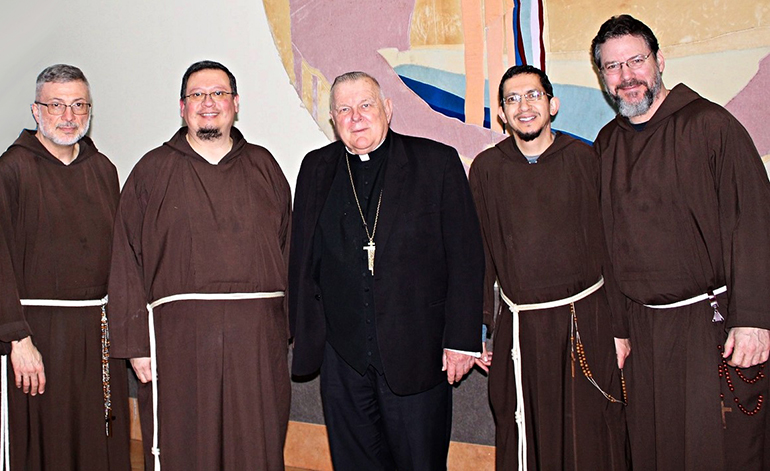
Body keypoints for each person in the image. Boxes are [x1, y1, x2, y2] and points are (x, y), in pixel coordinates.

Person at [591, 14, 770, 471]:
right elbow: (606, 245)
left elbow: (752, 221)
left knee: (717, 451)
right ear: (602, 78)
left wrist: (753, 320)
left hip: (710, 327)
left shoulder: (711, 126)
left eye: (636, 61)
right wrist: (617, 327)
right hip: (644, 333)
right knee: (654, 451)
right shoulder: (607, 144)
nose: (627, 76)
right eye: (612, 67)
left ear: (660, 61)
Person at [289, 71, 484, 470]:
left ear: (388, 110)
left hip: (418, 353)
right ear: (332, 118)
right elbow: (303, 258)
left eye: (366, 105)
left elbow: (466, 257)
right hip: (342, 358)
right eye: (344, 109)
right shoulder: (315, 167)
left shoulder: (436, 162)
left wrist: (462, 339)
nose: (356, 117)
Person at [108, 60, 292, 471]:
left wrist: (285, 328)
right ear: (182, 107)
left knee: (255, 448)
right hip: (177, 345)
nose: (208, 103)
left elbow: (287, 249)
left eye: (218, 93)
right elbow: (126, 260)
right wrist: (136, 345)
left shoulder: (265, 167)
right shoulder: (150, 172)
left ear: (236, 104)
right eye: (197, 95)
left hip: (255, 346)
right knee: (187, 448)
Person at [469, 65, 628, 470]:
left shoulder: (585, 158)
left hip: (585, 323)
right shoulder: (486, 169)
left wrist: (619, 329)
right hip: (520, 329)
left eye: (533, 96)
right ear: (502, 113)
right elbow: (481, 254)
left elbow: (611, 246)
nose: (524, 107)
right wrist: (481, 330)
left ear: (552, 104)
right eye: (512, 99)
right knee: (524, 432)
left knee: (588, 437)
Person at [0, 64, 131, 470]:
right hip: (36, 336)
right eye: (57, 105)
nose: (69, 116)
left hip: (98, 334)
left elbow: (122, 258)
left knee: (98, 441)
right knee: (45, 447)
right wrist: (17, 339)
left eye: (78, 105)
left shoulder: (104, 171)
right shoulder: (11, 170)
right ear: (37, 111)